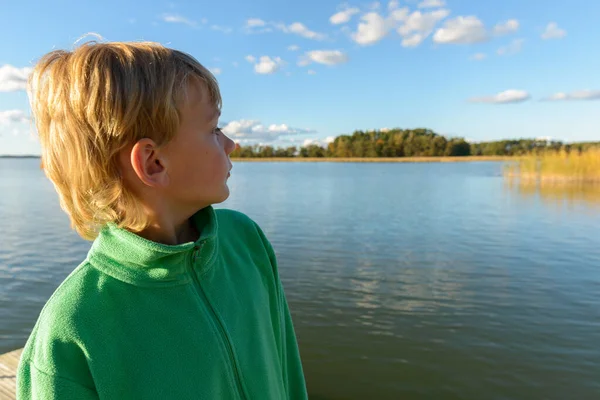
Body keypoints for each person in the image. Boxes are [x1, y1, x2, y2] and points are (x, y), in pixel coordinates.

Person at [16, 39, 307, 399]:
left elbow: (287, 368)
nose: (231, 143)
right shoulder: (74, 326)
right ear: (154, 163)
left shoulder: (245, 242)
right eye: (214, 129)